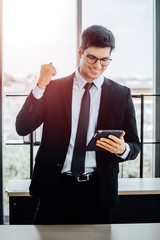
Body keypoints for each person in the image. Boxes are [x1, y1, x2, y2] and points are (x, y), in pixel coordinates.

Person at [16, 25, 140, 224]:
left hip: (98, 193)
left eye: (104, 60)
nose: (97, 66)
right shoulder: (53, 88)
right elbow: (22, 127)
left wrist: (123, 149)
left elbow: (135, 146)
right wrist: (40, 85)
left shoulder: (121, 95)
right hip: (54, 188)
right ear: (80, 52)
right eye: (92, 57)